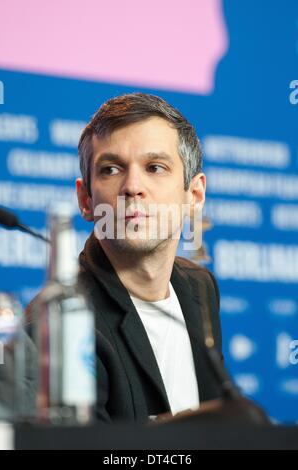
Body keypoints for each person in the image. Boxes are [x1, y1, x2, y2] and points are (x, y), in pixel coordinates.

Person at [76, 92, 223, 423]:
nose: (133, 186)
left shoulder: (201, 287)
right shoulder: (63, 322)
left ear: (194, 195)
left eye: (155, 167)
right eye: (111, 169)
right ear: (86, 199)